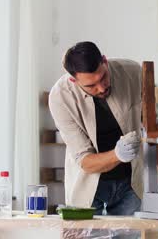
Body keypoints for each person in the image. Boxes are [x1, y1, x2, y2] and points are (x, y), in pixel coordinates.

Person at [49, 41, 143, 215]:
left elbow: (152, 119)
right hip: (89, 185)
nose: (101, 88)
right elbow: (84, 160)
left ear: (105, 61)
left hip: (130, 183)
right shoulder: (60, 97)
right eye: (91, 86)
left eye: (103, 77)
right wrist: (118, 155)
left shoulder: (133, 72)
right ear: (73, 80)